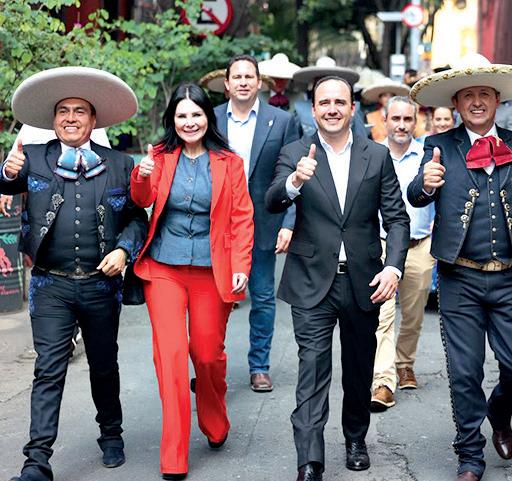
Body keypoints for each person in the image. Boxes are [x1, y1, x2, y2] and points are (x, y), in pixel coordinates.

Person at [407, 53, 512, 481]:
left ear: (497, 100)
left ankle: (500, 413)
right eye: (468, 95)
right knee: (464, 372)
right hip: (459, 277)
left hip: (510, 277)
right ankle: (470, 454)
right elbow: (417, 194)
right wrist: (425, 184)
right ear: (456, 103)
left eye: (484, 94)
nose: (477, 102)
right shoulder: (438, 145)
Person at [2, 66, 148, 481]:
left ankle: (112, 434)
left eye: (79, 111)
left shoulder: (120, 163)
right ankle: (37, 462)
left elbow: (137, 217)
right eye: (63, 111)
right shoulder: (33, 157)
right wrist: (7, 171)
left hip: (102, 286)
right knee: (48, 369)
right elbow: (5, 185)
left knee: (103, 365)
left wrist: (124, 250)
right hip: (50, 284)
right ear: (53, 119)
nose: (70, 117)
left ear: (93, 119)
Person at [265, 75, 409, 481]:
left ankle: (355, 437)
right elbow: (272, 200)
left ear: (352, 109)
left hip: (364, 280)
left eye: (339, 102)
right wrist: (295, 181)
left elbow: (396, 218)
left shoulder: (376, 155)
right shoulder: (295, 152)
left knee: (359, 367)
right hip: (311, 279)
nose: (332, 109)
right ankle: (310, 459)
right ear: (313, 110)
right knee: (312, 367)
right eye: (324, 103)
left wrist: (393, 267)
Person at [131, 83, 255, 480]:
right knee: (169, 356)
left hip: (210, 270)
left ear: (207, 117)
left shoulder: (229, 163)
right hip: (163, 268)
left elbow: (241, 218)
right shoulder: (158, 157)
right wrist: (141, 176)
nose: (189, 122)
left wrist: (241, 264)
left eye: (196, 114)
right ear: (172, 120)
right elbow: (141, 199)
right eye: (181, 115)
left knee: (206, 354)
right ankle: (174, 456)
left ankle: (214, 416)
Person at [214, 54, 300, 392]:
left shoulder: (281, 121)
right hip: (218, 223)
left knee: (262, 296)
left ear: (259, 82)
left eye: (249, 76)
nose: (243, 82)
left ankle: (259, 366)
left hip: (265, 220)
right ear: (227, 83)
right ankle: (212, 365)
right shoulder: (211, 118)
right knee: (216, 299)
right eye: (237, 76)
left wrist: (289, 221)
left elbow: (292, 173)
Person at [369, 96, 435, 411]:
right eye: (395, 119)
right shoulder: (372, 155)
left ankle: (404, 363)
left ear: (416, 122)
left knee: (414, 313)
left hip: (420, 245)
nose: (401, 125)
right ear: (385, 120)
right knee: (383, 315)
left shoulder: (426, 157)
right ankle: (383, 382)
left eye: (407, 119)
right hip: (381, 245)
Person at [361, 78, 411, 143]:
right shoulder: (370, 116)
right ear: (380, 99)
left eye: (391, 96)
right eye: (385, 96)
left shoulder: (403, 115)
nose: (388, 99)